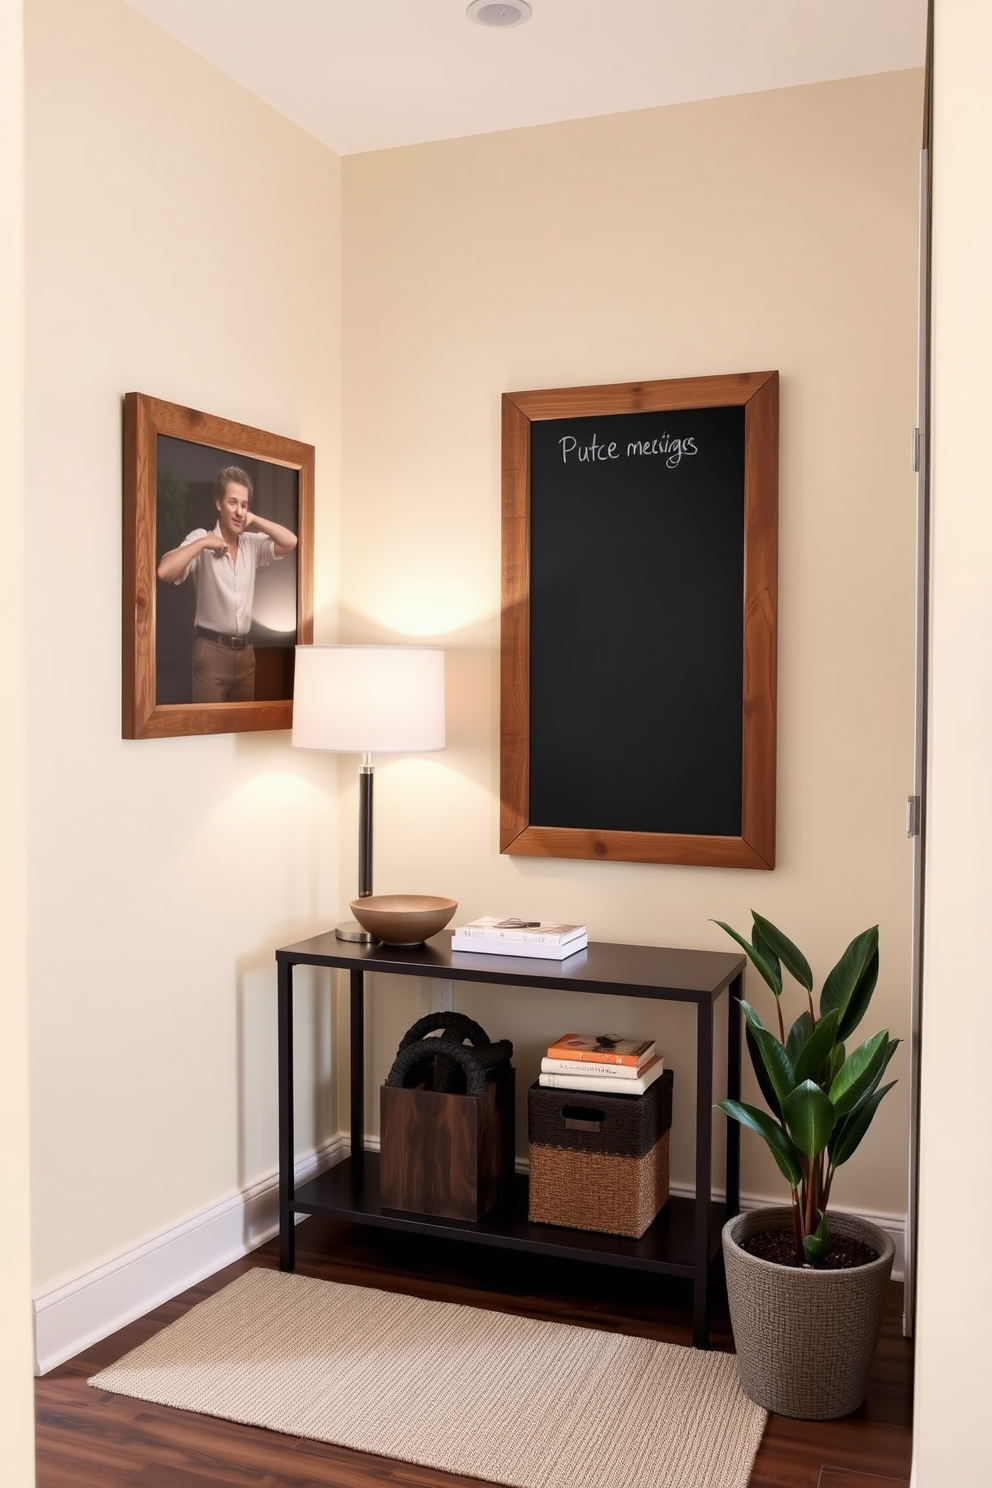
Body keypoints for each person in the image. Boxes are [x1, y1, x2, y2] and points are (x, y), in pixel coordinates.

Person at [156, 465, 298, 703]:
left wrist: (254, 519)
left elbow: (290, 541)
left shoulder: (252, 544)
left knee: (242, 733)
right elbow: (164, 571)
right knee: (208, 732)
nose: (239, 511)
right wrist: (202, 544)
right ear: (219, 503)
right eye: (233, 502)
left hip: (246, 656)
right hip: (211, 653)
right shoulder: (200, 538)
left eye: (244, 505)